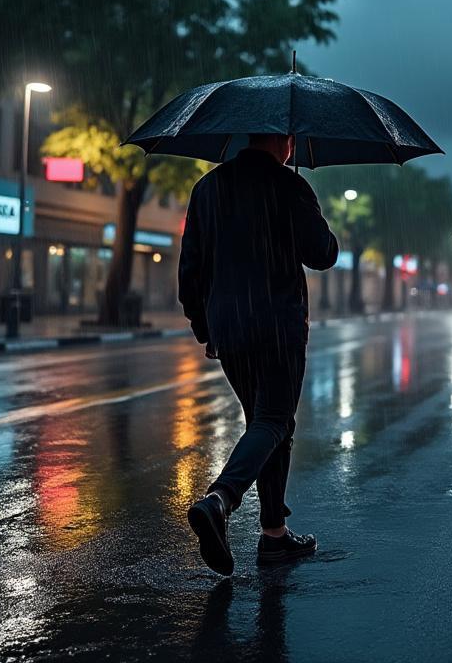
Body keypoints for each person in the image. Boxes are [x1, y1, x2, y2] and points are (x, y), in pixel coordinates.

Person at [179, 133, 339, 576]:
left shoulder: (207, 188)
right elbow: (322, 254)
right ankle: (220, 500)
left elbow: (189, 269)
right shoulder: (289, 186)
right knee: (273, 421)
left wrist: (205, 327)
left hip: (229, 329)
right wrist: (312, 213)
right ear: (286, 142)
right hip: (278, 325)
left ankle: (274, 536)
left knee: (268, 426)